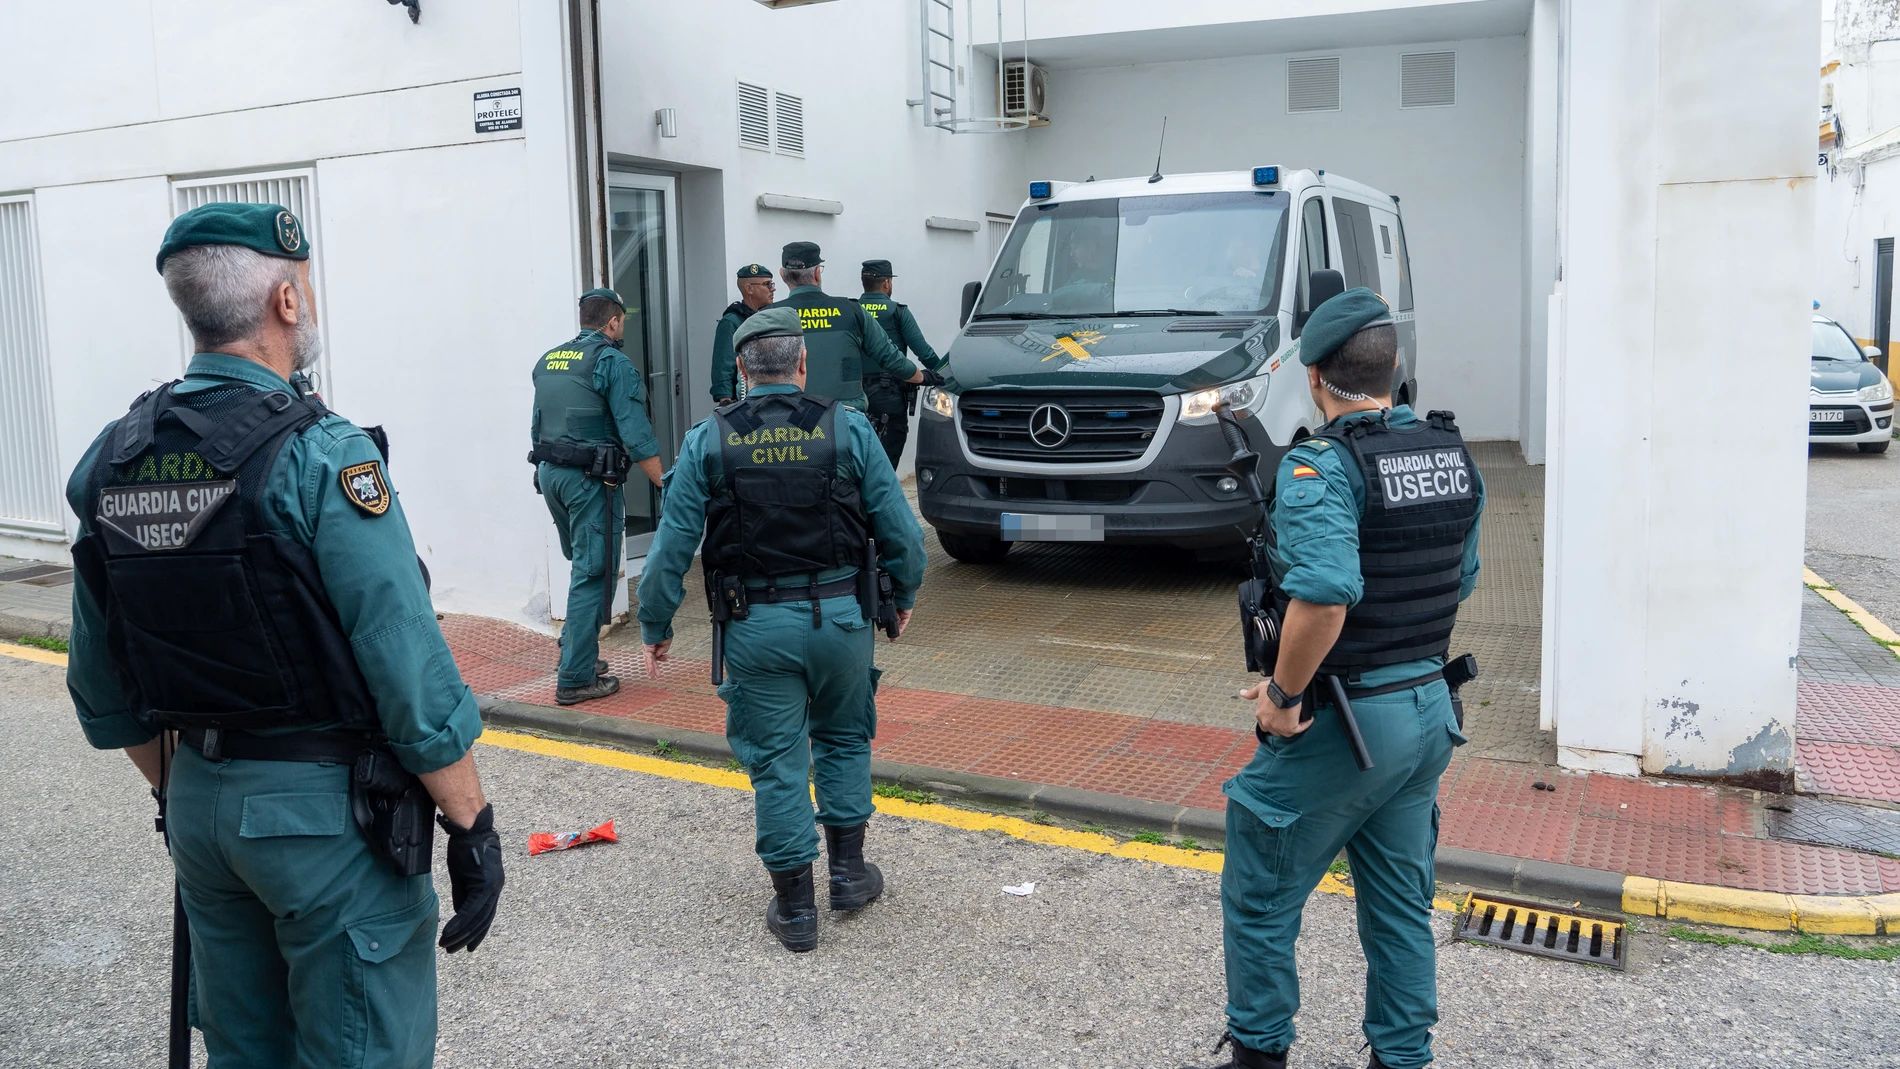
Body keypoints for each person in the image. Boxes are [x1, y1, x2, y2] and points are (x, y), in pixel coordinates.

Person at [65, 202, 503, 1068]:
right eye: (305, 285)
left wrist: (187, 785)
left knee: (243, 1049)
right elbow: (404, 660)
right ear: (286, 301)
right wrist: (471, 823)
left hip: (197, 802)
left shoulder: (112, 457)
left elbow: (100, 686)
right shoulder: (323, 456)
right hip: (323, 818)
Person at [1211, 288, 1483, 1069]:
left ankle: (1259, 1053)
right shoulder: (1450, 454)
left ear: (1316, 377)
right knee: (1399, 904)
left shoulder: (1321, 466)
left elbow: (1325, 595)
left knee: (1261, 891)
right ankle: (1401, 1057)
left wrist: (1284, 695)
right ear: (1394, 370)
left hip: (1347, 720)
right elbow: (1457, 581)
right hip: (1428, 709)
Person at [635, 307, 927, 954]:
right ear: (802, 364)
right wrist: (902, 595)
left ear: (741, 369)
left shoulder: (705, 440)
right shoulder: (847, 429)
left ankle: (796, 910)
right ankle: (849, 873)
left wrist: (655, 623)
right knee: (845, 738)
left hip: (755, 626)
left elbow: (671, 548)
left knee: (777, 761)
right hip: (843, 620)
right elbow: (902, 532)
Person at [529, 287, 666, 705]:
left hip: (551, 473)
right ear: (612, 322)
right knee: (595, 572)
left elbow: (539, 421)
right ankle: (575, 678)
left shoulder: (550, 359)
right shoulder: (611, 362)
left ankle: (576, 651)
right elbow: (637, 436)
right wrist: (667, 484)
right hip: (589, 481)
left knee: (584, 566)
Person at [767, 241, 939, 420]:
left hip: (789, 420)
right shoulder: (852, 310)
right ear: (817, 273)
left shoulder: (768, 316)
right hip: (845, 418)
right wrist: (922, 377)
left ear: (782, 275)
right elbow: (890, 356)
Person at [858, 259, 949, 470]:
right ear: (887, 283)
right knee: (888, 463)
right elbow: (923, 351)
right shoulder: (897, 311)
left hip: (855, 396)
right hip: (889, 396)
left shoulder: (851, 310)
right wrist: (945, 375)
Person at [709, 263, 776, 405]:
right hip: (744, 401)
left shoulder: (770, 317)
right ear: (749, 288)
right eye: (767, 284)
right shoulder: (731, 322)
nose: (773, 289)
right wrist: (725, 399)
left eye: (772, 284)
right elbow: (724, 364)